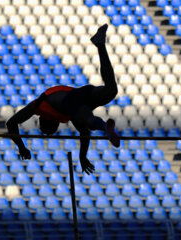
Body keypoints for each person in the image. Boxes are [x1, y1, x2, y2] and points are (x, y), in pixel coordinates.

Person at [7, 24, 119, 174]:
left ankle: (105, 127)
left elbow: (11, 123)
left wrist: (21, 147)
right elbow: (84, 134)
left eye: (48, 131)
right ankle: (100, 44)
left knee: (89, 121)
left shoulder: (39, 106)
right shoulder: (67, 115)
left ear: (46, 120)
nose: (51, 132)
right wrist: (82, 157)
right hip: (83, 95)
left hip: (74, 100)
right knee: (111, 90)